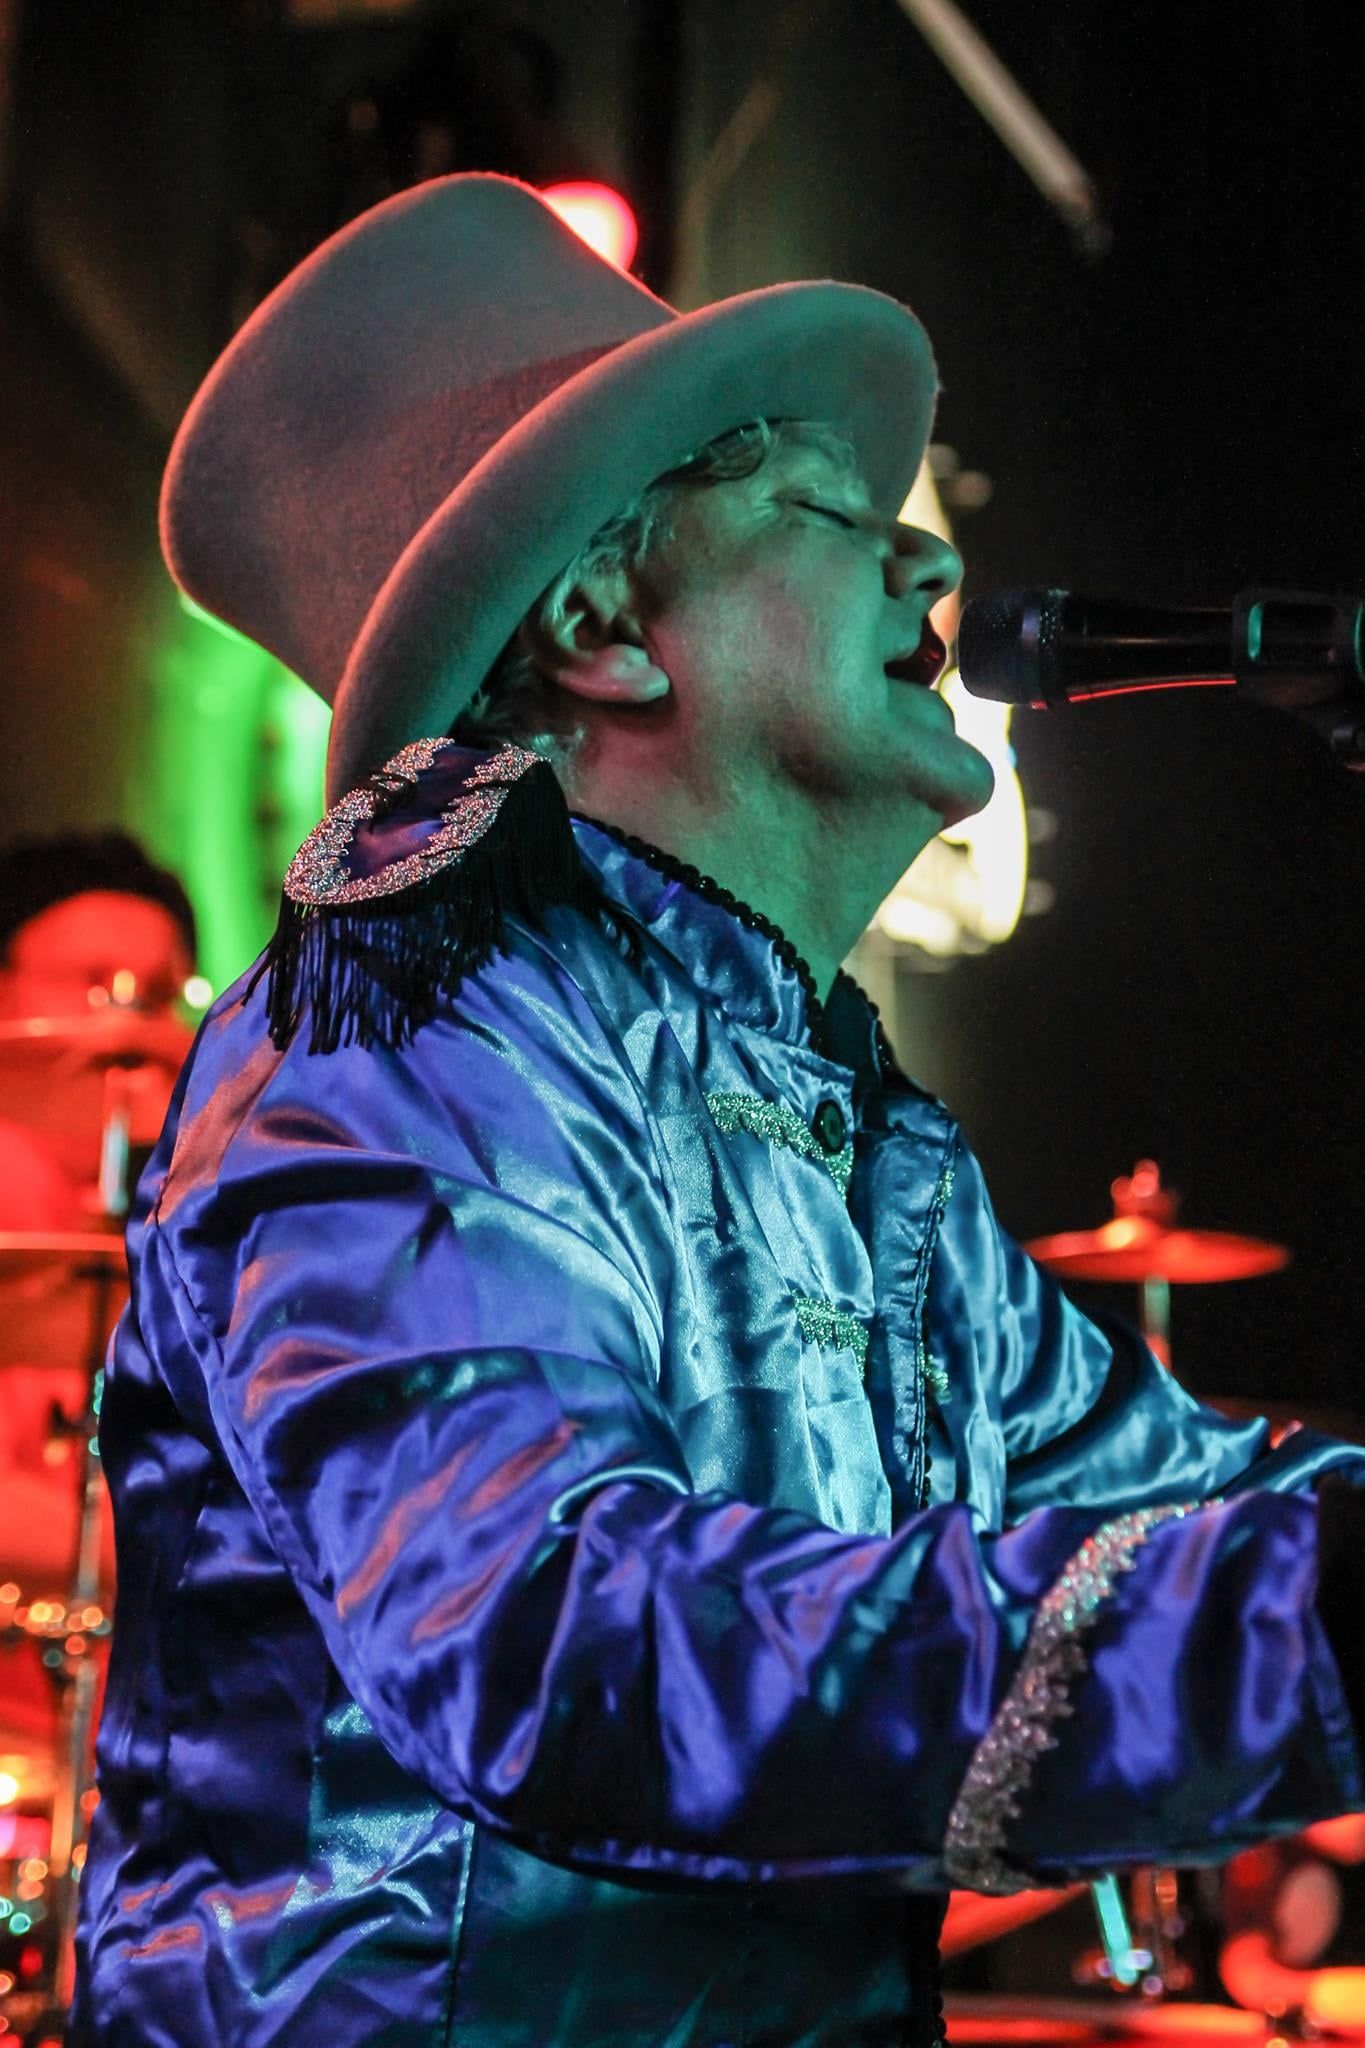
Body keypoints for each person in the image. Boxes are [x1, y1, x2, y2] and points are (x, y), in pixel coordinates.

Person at [71, 176, 1364, 2048]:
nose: (930, 574)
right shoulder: (403, 1043)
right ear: (602, 621)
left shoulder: (847, 1129)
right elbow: (565, 1637)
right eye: (836, 515)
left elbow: (1175, 1507)